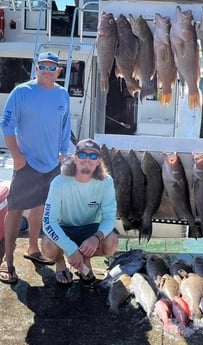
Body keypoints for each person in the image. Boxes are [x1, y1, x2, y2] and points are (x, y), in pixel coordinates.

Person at [0, 52, 71, 284]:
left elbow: (64, 125)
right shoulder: (21, 92)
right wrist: (17, 156)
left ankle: (32, 248)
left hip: (52, 165)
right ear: (36, 68)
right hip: (26, 164)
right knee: (16, 209)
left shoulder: (62, 94)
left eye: (53, 68)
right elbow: (6, 126)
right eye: (44, 67)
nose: (48, 71)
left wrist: (62, 151)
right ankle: (7, 261)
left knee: (41, 206)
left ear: (58, 71)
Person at [41, 138, 118, 285]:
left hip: (89, 230)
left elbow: (109, 217)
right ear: (75, 158)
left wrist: (96, 237)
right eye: (82, 155)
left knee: (111, 243)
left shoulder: (106, 182)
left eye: (93, 156)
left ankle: (85, 258)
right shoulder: (59, 182)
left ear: (98, 161)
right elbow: (48, 222)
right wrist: (70, 249)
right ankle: (60, 262)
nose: (87, 159)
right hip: (64, 228)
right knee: (48, 247)